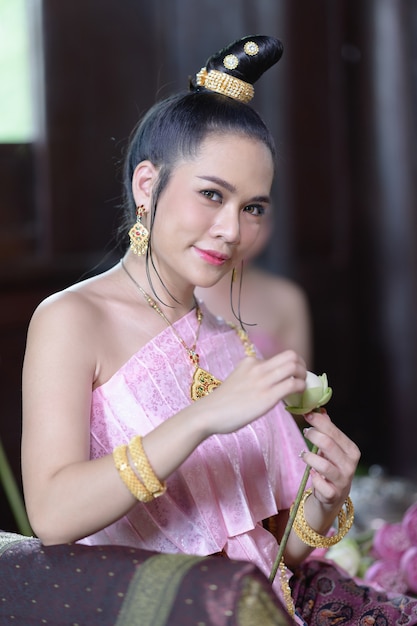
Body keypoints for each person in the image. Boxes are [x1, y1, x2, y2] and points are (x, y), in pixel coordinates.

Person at [20, 35, 416, 625]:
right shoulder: (71, 319)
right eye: (212, 195)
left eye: (253, 207)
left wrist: (325, 501)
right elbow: (51, 513)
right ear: (148, 186)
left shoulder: (231, 337)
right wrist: (204, 416)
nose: (232, 230)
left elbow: (273, 550)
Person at [196, 211, 313, 364]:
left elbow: (303, 380)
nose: (236, 233)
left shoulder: (287, 298)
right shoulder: (176, 295)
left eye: (257, 212)